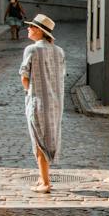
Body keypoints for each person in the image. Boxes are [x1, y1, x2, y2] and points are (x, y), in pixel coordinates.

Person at [19, 13, 65, 194]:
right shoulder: (59, 51)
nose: (28, 29)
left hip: (38, 100)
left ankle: (46, 182)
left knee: (38, 140)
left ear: (39, 30)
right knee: (49, 137)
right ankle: (41, 177)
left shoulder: (32, 50)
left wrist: (28, 91)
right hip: (56, 102)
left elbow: (24, 75)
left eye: (31, 26)